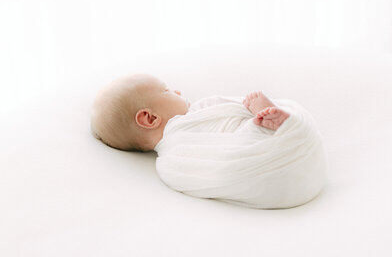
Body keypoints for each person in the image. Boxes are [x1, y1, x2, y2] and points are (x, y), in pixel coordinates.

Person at [91, 73, 327, 208]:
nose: (179, 92)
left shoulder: (169, 167)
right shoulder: (196, 119)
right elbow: (222, 168)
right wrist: (252, 118)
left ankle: (265, 130)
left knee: (239, 152)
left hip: (285, 189)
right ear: (149, 118)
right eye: (167, 91)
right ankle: (269, 125)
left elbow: (218, 173)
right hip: (291, 166)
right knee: (243, 143)